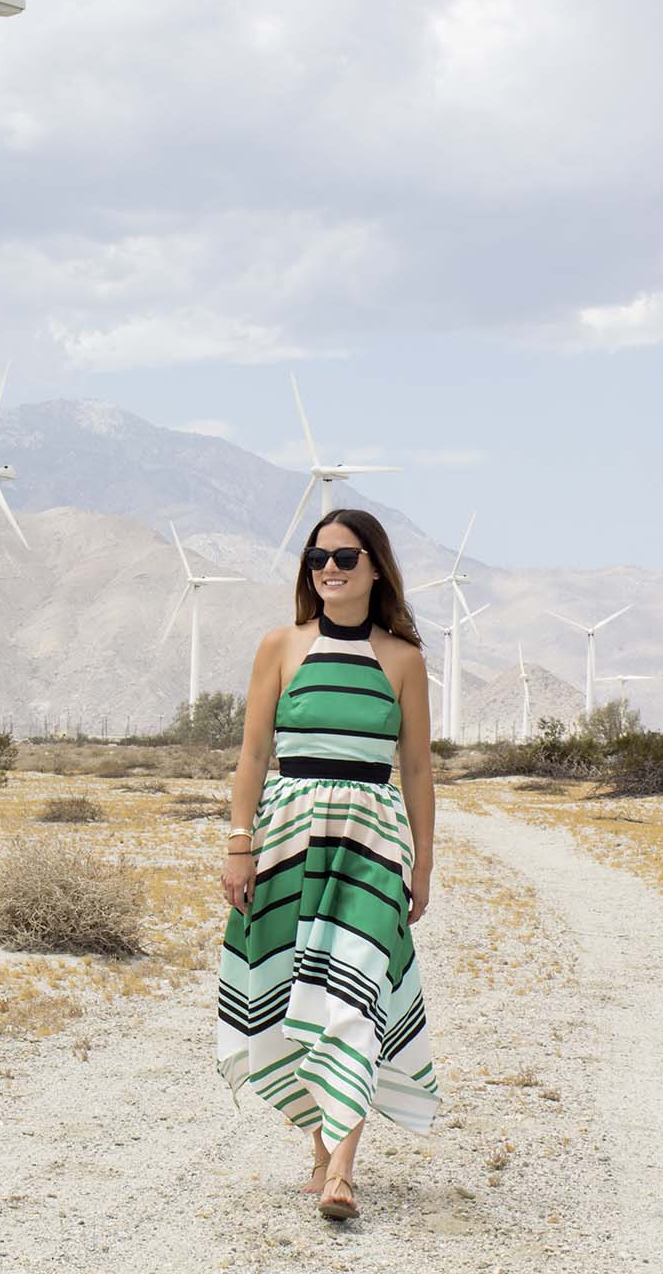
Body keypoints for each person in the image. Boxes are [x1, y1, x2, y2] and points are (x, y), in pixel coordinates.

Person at [216, 508, 440, 1221]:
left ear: (376, 566)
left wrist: (424, 865)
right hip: (286, 837)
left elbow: (416, 768)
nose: (330, 569)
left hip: (370, 841)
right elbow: (253, 754)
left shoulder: (402, 659)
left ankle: (342, 1168)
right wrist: (238, 843)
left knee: (354, 994)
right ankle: (320, 1145)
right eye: (318, 558)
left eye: (345, 557)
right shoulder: (280, 646)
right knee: (289, 993)